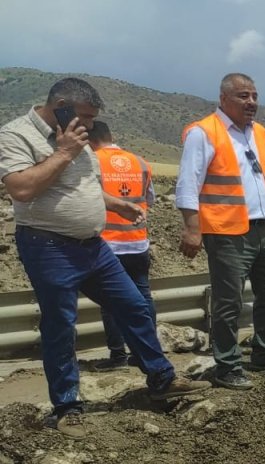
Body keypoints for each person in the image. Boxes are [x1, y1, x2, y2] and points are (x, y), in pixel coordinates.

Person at [0, 78, 209, 434]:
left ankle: (161, 379)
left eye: (93, 119)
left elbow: (86, 188)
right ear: (60, 105)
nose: (91, 125)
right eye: (85, 116)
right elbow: (21, 188)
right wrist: (63, 152)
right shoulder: (17, 135)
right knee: (60, 327)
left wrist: (117, 205)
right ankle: (67, 406)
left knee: (134, 305)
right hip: (48, 246)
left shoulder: (78, 137)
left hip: (94, 247)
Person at [176, 73, 265, 390]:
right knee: (229, 302)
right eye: (243, 96)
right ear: (223, 99)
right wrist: (192, 229)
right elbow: (187, 184)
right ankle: (227, 365)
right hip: (226, 232)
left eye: (253, 95)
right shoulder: (204, 132)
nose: (251, 102)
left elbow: (260, 174)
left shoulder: (260, 133)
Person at [87, 121, 156, 371]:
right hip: (137, 242)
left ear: (89, 139)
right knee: (143, 296)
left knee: (110, 301)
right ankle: (147, 352)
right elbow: (149, 199)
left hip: (106, 244)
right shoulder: (140, 162)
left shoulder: (91, 162)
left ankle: (118, 356)